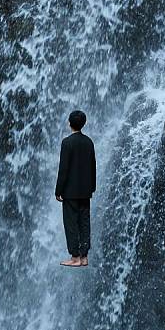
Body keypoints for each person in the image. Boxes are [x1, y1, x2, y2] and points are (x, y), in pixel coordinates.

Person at [55, 110, 96, 267]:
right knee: (84, 222)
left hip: (70, 192)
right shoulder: (89, 142)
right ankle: (84, 256)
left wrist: (58, 190)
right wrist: (92, 187)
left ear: (69, 123)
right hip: (85, 190)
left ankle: (75, 257)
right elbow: (93, 166)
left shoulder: (67, 143)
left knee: (71, 223)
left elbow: (63, 169)